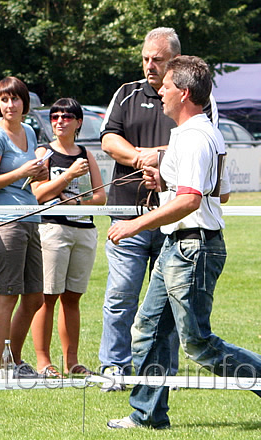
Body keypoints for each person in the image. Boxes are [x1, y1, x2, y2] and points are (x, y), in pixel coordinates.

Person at [107, 55, 261, 429]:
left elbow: (192, 200)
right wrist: (165, 182)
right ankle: (147, 415)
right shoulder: (199, 134)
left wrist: (135, 224)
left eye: (168, 86)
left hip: (193, 248)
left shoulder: (194, 138)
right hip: (180, 245)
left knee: (198, 344)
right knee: (149, 330)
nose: (160, 91)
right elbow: (216, 193)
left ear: (186, 93)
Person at [98, 27, 218, 389]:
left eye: (158, 60)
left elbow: (198, 150)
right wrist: (139, 158)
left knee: (163, 311)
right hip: (127, 212)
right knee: (121, 295)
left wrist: (161, 159)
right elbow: (107, 139)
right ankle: (114, 367)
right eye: (146, 58)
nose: (150, 66)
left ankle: (161, 376)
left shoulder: (196, 103)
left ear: (175, 63)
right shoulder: (126, 93)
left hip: (175, 219)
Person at [30, 98, 106, 378]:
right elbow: (39, 194)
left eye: (66, 116)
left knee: (72, 298)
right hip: (53, 230)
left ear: (78, 122)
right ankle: (43, 361)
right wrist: (69, 176)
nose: (60, 121)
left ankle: (71, 361)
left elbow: (100, 196)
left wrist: (77, 205)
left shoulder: (86, 154)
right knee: (47, 296)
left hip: (84, 230)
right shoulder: (44, 152)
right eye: (54, 117)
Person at [0, 76, 48, 377]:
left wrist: (40, 170)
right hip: (7, 222)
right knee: (7, 296)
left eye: (15, 98)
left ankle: (16, 359)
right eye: (4, 100)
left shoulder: (29, 131)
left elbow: (30, 179)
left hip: (32, 218)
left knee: (35, 297)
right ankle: (4, 366)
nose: (10, 105)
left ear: (25, 102)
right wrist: (23, 169)